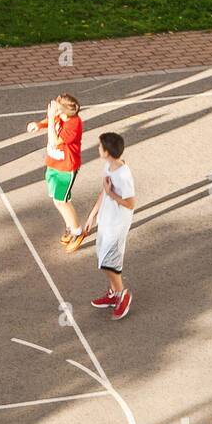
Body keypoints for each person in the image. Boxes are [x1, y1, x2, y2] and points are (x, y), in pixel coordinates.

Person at [84, 131, 136, 321]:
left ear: (107, 151)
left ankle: (122, 295)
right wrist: (92, 215)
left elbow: (130, 203)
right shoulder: (108, 166)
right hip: (106, 220)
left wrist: (111, 193)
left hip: (117, 223)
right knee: (102, 259)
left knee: (108, 262)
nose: (98, 148)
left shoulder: (123, 175)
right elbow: (103, 192)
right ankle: (114, 292)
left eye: (100, 146)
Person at [26, 92, 84, 250]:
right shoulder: (60, 116)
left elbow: (54, 141)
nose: (53, 108)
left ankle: (77, 231)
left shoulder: (74, 124)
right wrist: (39, 124)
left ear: (63, 111)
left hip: (66, 169)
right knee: (59, 200)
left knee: (61, 201)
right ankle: (70, 226)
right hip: (53, 164)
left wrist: (51, 117)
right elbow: (50, 122)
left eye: (57, 107)